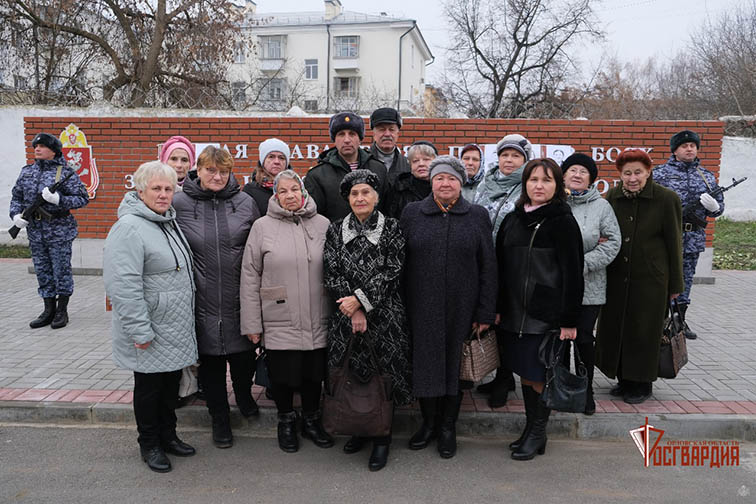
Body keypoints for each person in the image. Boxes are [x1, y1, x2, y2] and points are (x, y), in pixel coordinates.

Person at [103, 161, 198, 473]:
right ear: (140, 190)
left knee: (169, 387)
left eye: (168, 188)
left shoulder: (166, 222)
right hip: (150, 328)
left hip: (173, 326)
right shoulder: (129, 227)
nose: (163, 194)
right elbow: (123, 286)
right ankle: (149, 443)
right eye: (156, 188)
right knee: (149, 389)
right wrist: (139, 331)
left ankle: (168, 435)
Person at [401, 155, 497, 459]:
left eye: (452, 178)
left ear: (461, 183)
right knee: (427, 366)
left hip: (462, 307)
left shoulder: (477, 215)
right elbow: (401, 264)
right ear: (431, 182)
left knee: (456, 368)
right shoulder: (412, 213)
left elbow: (488, 267)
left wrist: (484, 311)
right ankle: (429, 423)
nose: (445, 183)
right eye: (440, 178)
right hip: (421, 305)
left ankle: (448, 427)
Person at [496, 157, 584, 461]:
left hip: (544, 313)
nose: (539, 186)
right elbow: (499, 266)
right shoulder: (514, 218)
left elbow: (574, 273)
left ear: (557, 186)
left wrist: (569, 320)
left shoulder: (562, 220)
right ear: (525, 184)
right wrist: (496, 307)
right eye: (533, 179)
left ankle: (537, 432)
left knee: (539, 374)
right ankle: (532, 429)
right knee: (525, 371)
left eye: (546, 180)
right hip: (512, 311)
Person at [323, 169, 411, 472]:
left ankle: (382, 436)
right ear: (348, 199)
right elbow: (331, 271)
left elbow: (392, 272)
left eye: (365, 192)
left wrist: (361, 302)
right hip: (345, 316)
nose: (360, 198)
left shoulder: (393, 229)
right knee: (353, 374)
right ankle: (360, 429)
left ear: (376, 196)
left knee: (382, 375)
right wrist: (353, 308)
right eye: (354, 194)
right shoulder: (335, 230)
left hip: (384, 317)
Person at [173, 146, 261, 449]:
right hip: (201, 298)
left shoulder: (245, 203)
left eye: (223, 170)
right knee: (210, 364)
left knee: (243, 356)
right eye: (211, 169)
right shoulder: (179, 203)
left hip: (240, 297)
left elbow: (259, 249)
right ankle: (219, 417)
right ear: (198, 169)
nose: (218, 176)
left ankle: (245, 395)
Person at [240, 170, 333, 454]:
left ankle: (311, 420)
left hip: (318, 314)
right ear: (275, 195)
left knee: (313, 374)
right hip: (278, 315)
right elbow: (250, 275)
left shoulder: (323, 224)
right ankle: (286, 421)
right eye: (284, 191)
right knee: (282, 375)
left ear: (304, 192)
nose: (291, 195)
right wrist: (252, 324)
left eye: (296, 189)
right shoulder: (262, 227)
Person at [596, 149, 683, 405]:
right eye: (627, 173)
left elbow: (674, 243)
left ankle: (642, 383)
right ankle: (623, 378)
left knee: (643, 329)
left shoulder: (666, 199)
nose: (632, 178)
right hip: (616, 275)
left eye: (638, 172)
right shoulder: (613, 196)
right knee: (617, 327)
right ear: (620, 174)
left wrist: (676, 284)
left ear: (648, 172)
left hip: (651, 279)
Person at [473, 133, 533, 407]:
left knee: (507, 323)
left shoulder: (527, 187)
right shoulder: (486, 182)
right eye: (504, 155)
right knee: (489, 320)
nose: (508, 160)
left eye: (515, 156)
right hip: (484, 263)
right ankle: (500, 376)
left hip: (513, 267)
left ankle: (505, 378)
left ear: (525, 159)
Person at [561, 153, 621, 415]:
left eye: (583, 172)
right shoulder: (555, 203)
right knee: (558, 339)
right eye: (572, 170)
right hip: (557, 286)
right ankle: (560, 388)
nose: (577, 175)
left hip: (589, 284)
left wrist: (581, 264)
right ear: (563, 175)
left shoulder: (602, 207)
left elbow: (613, 242)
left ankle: (586, 390)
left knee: (584, 338)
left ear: (591, 179)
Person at [10, 132, 89, 329]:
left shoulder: (64, 173)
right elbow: (16, 197)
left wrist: (59, 200)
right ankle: (48, 310)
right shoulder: (27, 172)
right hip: (35, 231)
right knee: (42, 270)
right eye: (36, 146)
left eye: (43, 146)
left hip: (59, 230)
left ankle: (61, 311)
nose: (37, 149)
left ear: (53, 151)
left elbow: (82, 198)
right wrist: (16, 216)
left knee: (61, 271)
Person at [653, 130, 724, 340]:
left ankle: (678, 322)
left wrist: (714, 206)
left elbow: (719, 209)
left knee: (684, 282)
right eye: (684, 146)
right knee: (661, 281)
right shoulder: (659, 174)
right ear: (675, 150)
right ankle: (658, 322)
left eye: (693, 145)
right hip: (664, 239)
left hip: (692, 239)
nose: (690, 149)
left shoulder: (706, 176)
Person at [304, 112, 389, 222]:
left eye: (352, 134)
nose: (347, 140)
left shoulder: (378, 169)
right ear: (334, 139)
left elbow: (387, 210)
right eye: (341, 134)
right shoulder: (317, 175)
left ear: (360, 139)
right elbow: (314, 219)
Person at [383, 141, 436, 219]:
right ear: (410, 165)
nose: (421, 164)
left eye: (426, 159)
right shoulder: (399, 189)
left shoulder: (444, 187)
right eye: (415, 161)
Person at [243, 138, 292, 216]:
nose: (276, 162)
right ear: (263, 161)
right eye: (271, 157)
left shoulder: (296, 189)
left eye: (281, 158)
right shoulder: (250, 190)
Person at [368, 107, 409, 181]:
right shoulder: (363, 162)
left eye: (391, 129)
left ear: (397, 134)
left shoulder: (407, 164)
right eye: (382, 129)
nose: (387, 134)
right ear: (374, 134)